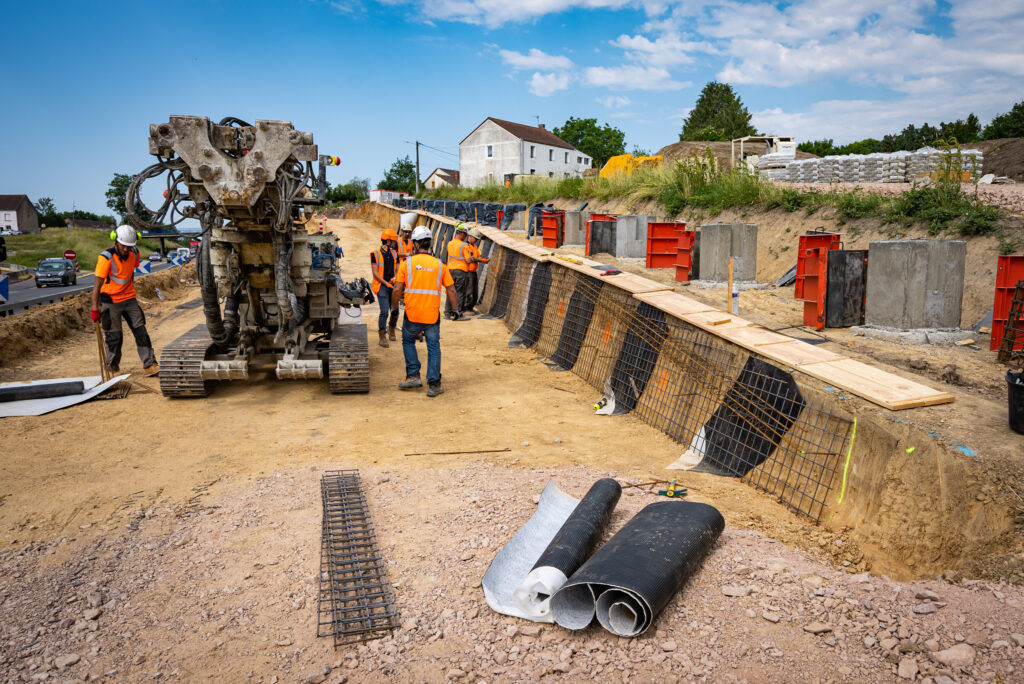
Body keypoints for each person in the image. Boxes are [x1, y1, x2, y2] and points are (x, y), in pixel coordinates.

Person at [391, 226, 459, 397]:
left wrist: (393, 307)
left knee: (408, 342)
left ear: (415, 244)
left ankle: (413, 375)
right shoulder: (440, 265)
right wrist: (455, 309)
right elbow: (451, 290)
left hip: (412, 314)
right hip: (432, 316)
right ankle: (434, 384)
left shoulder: (407, 264)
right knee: (433, 347)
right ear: (428, 244)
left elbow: (397, 289)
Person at [89, 225, 159, 376]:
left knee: (141, 332)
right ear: (116, 241)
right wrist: (95, 309)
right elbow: (96, 287)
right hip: (110, 302)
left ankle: (150, 364)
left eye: (129, 246)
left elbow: (129, 272)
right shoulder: (105, 258)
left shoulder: (135, 253)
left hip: (129, 299)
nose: (126, 249)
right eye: (123, 246)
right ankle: (112, 368)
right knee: (114, 337)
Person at [370, 229, 400, 347]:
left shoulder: (394, 254)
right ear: (388, 241)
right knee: (384, 312)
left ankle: (391, 328)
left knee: (395, 310)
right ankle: (382, 335)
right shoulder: (375, 254)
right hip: (381, 286)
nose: (395, 243)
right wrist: (385, 283)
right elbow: (375, 273)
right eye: (393, 241)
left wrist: (395, 278)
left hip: (393, 285)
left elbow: (398, 269)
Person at [445, 223, 475, 316]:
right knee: (460, 292)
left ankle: (447, 312)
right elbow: (468, 260)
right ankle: (458, 313)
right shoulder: (464, 246)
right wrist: (475, 258)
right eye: (465, 235)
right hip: (461, 271)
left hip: (450, 270)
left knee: (450, 291)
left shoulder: (449, 243)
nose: (465, 237)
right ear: (462, 234)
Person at [464, 228, 489, 313]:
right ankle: (466, 308)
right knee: (469, 291)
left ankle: (470, 307)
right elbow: (471, 259)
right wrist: (481, 260)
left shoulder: (474, 246)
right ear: (470, 237)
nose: (477, 240)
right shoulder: (466, 246)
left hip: (473, 271)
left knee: (475, 291)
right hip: (468, 272)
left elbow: (478, 256)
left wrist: (482, 259)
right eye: (476, 239)